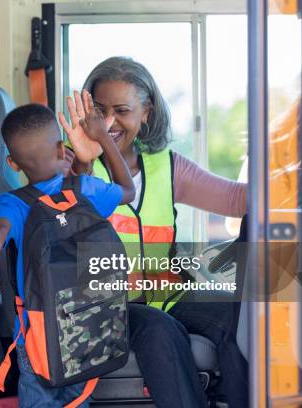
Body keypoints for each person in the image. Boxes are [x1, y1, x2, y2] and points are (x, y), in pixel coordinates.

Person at [61, 56, 248, 407]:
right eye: (100, 112)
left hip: (167, 297)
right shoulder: (72, 162)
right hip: (103, 308)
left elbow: (239, 200)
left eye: (122, 110)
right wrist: (84, 160)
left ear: (146, 112)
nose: (110, 122)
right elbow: (65, 218)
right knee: (159, 329)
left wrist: (294, 171)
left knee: (237, 318)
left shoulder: (168, 166)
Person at [0, 101, 135, 407]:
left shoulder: (14, 204)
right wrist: (103, 137)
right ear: (62, 150)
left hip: (36, 339)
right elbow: (128, 190)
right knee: (78, 399)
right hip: (86, 331)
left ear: (12, 164)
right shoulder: (86, 189)